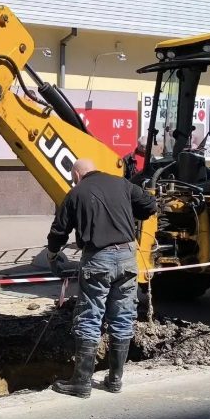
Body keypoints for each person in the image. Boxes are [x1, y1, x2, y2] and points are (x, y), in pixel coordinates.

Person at [46, 158, 157, 398]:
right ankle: (115, 380)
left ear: (76, 175)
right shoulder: (122, 184)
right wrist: (129, 213)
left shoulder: (77, 193)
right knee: (123, 315)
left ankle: (81, 382)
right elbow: (150, 205)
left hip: (98, 258)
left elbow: (59, 231)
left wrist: (53, 253)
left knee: (90, 315)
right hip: (128, 256)